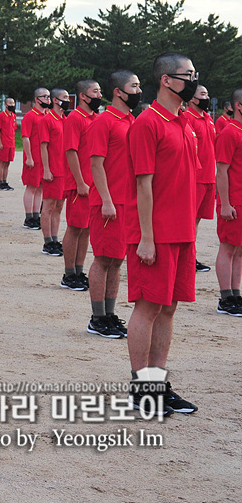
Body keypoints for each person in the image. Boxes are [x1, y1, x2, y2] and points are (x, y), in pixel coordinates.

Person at [125, 52, 200, 414]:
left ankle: (158, 382)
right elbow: (144, 184)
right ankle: (141, 387)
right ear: (167, 80)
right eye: (187, 75)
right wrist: (147, 236)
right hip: (155, 233)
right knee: (149, 306)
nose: (193, 80)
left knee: (168, 308)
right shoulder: (148, 122)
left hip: (182, 230)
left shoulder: (184, 120)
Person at [83, 70, 141, 337]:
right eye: (134, 86)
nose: (138, 91)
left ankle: (109, 313)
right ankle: (97, 317)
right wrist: (106, 200)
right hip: (107, 203)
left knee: (118, 261)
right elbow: (96, 163)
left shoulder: (132, 120)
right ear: (118, 91)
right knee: (103, 259)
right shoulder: (104, 121)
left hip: (127, 203)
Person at [60, 80, 101, 289]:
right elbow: (70, 151)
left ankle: (79, 269)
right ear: (83, 96)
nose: (99, 95)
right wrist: (80, 182)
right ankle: (69, 274)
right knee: (75, 227)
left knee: (86, 229)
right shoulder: (75, 118)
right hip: (80, 184)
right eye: (95, 91)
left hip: (93, 184)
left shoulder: (95, 118)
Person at [214, 89, 242, 316]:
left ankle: (235, 293)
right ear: (239, 106)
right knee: (227, 248)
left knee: (239, 250)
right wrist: (224, 204)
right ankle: (226, 298)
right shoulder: (230, 132)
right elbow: (221, 171)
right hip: (233, 200)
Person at [186, 86, 216, 273]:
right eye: (203, 95)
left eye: (207, 93)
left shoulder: (208, 118)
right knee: (189, 220)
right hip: (195, 178)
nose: (207, 97)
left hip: (208, 178)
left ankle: (191, 256)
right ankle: (189, 258)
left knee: (196, 221)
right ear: (193, 99)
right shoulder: (189, 118)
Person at [38, 89, 69, 257]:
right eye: (64, 97)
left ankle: (54, 239)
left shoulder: (65, 119)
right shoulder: (47, 120)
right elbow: (43, 146)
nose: (67, 100)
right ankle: (47, 241)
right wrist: (47, 169)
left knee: (59, 206)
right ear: (56, 100)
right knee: (49, 206)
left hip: (64, 170)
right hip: (53, 170)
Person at [21, 89, 49, 229]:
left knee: (40, 188)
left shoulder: (47, 115)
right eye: (45, 97)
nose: (48, 99)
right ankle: (28, 217)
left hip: (44, 159)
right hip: (34, 157)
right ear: (37, 99)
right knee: (31, 187)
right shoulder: (30, 116)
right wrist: (29, 157)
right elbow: (25, 137)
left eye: (49, 97)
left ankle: (36, 215)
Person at [0, 97, 17, 190]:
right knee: (2, 163)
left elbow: (13, 129)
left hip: (11, 143)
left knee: (7, 163)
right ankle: (0, 183)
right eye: (10, 103)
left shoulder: (14, 116)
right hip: (4, 143)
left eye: (13, 103)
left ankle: (5, 181)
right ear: (5, 104)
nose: (12, 105)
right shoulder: (1, 115)